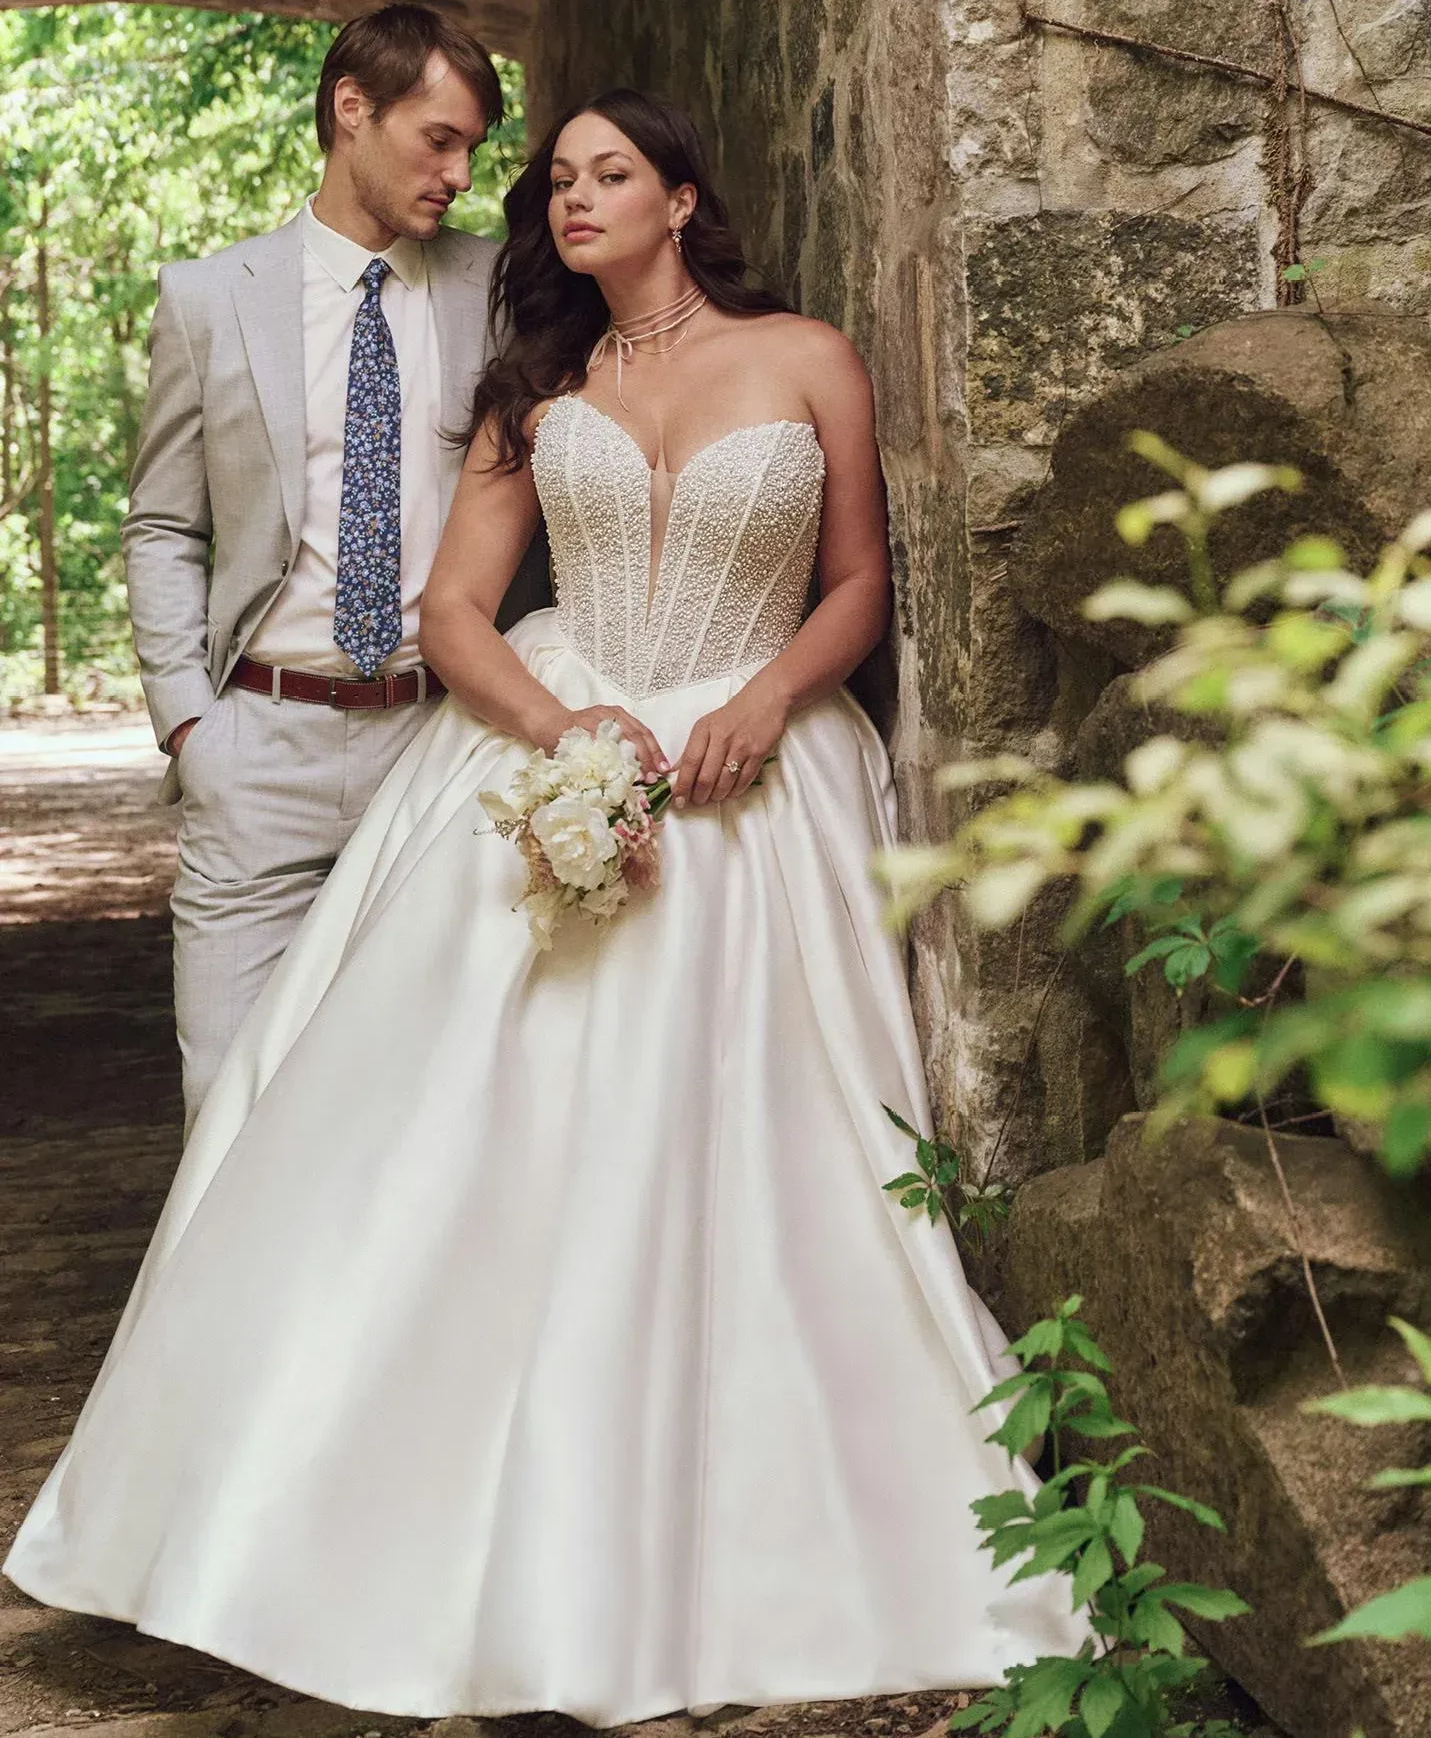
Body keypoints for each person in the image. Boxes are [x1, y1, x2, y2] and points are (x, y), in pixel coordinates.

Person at [5, 90, 1090, 1722]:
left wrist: (768, 698)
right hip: (563, 736)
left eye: (609, 174)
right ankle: (369, 1525)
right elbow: (455, 610)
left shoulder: (808, 358)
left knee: (747, 1146)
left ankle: (727, 1523)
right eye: (558, 180)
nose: (574, 199)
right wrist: (568, 726)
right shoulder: (535, 390)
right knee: (445, 1134)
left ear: (681, 198)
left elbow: (859, 580)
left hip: (755, 764)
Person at [125, 5, 515, 1132]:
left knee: (418, 1105)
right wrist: (189, 725)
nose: (459, 174)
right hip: (258, 747)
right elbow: (164, 523)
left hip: (437, 744)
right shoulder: (210, 298)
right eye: (438, 140)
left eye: (472, 148)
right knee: (227, 1099)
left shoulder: (497, 288)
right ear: (353, 110)